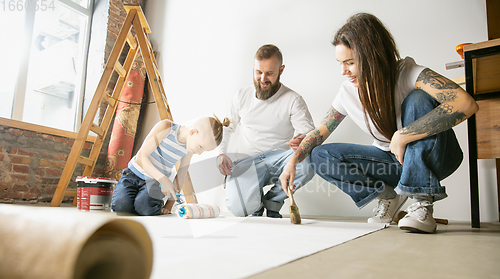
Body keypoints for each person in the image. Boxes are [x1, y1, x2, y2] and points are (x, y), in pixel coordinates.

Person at [279, 13, 478, 233]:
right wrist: (292, 162)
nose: (343, 71)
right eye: (340, 63)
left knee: (418, 98)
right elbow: (320, 132)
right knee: (321, 155)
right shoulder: (347, 92)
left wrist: (404, 134)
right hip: (392, 164)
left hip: (438, 156)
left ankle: (422, 202)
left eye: (350, 63)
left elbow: (465, 103)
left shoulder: (407, 72)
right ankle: (389, 197)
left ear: (370, 56)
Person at [217, 44, 315, 218]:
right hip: (246, 163)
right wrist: (221, 153)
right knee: (238, 209)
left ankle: (273, 201)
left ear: (281, 70)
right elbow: (226, 127)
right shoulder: (241, 95)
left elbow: (309, 134)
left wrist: (302, 141)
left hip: (279, 160)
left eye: (269, 73)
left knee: (311, 162)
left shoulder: (293, 99)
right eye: (258, 72)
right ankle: (256, 203)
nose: (263, 78)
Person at [112, 115, 230, 216]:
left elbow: (181, 174)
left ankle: (143, 203)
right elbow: (141, 158)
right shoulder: (166, 127)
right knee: (121, 206)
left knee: (145, 207)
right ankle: (133, 201)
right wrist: (163, 180)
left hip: (154, 183)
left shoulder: (188, 149)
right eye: (200, 147)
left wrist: (169, 205)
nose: (199, 153)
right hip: (133, 175)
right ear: (193, 132)